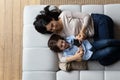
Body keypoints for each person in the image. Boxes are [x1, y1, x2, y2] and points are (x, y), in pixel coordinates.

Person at [33, 5, 114, 41]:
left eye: (52, 25)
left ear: (52, 19)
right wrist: (81, 38)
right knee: (104, 61)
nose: (54, 28)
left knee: (107, 45)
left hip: (98, 21)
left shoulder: (64, 15)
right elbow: (75, 40)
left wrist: (82, 31)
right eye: (51, 29)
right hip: (95, 34)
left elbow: (86, 16)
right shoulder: (60, 35)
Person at [48, 34, 120, 66]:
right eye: (61, 46)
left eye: (62, 42)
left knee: (107, 42)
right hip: (90, 55)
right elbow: (79, 57)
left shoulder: (69, 38)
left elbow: (78, 39)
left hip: (91, 45)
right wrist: (79, 52)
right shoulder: (66, 54)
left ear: (62, 39)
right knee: (109, 50)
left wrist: (79, 38)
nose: (64, 44)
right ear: (60, 50)